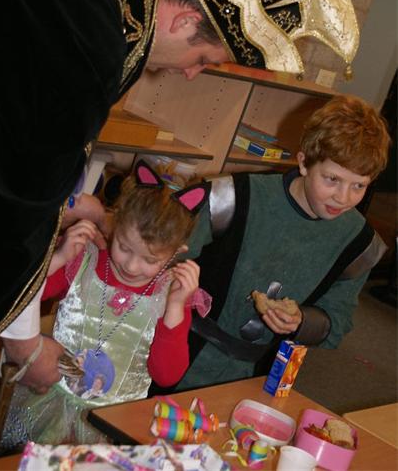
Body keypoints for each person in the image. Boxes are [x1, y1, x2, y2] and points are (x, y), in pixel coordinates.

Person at [0, 0, 360, 390]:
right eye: (204, 58)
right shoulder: (91, 43)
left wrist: (67, 202)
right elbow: (13, 202)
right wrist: (24, 343)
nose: (193, 73)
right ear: (182, 21)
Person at [151, 94, 391, 393]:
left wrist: (301, 321)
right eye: (331, 179)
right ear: (304, 162)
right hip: (177, 353)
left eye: (359, 186)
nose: (343, 198)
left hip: (261, 376)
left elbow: (338, 319)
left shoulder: (358, 242)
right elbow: (159, 256)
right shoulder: (234, 198)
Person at [0, 159, 210, 446]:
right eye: (123, 247)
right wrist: (58, 258)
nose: (131, 266)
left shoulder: (173, 295)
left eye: (150, 259)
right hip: (50, 405)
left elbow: (166, 376)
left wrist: (173, 309)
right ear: (114, 224)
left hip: (116, 423)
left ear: (177, 252)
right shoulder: (84, 260)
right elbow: (17, 300)